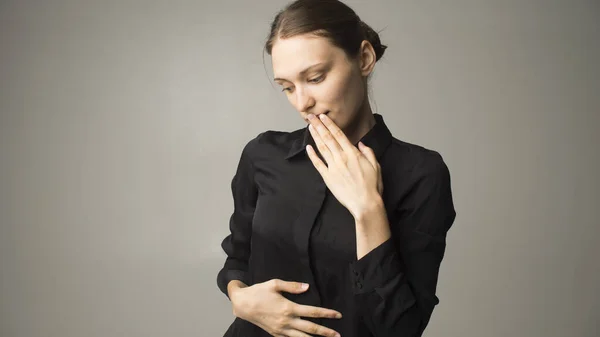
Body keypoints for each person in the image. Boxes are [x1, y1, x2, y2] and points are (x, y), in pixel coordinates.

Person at [216, 0, 457, 336]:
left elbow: (401, 328)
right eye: (287, 87)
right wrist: (240, 299)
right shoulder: (262, 155)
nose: (302, 103)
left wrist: (368, 208)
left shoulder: (421, 174)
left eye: (315, 77)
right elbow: (237, 258)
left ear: (364, 58)